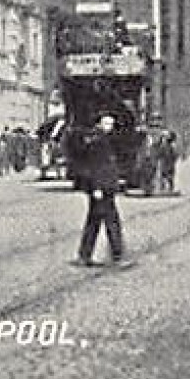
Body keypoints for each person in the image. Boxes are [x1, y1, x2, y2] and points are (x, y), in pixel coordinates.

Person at [75, 114, 127, 267]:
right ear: (99, 124)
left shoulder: (105, 140)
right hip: (101, 189)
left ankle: (84, 255)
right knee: (111, 222)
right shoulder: (97, 142)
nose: (110, 127)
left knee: (95, 221)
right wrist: (97, 188)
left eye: (111, 124)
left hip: (105, 187)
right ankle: (117, 256)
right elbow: (95, 166)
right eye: (107, 124)